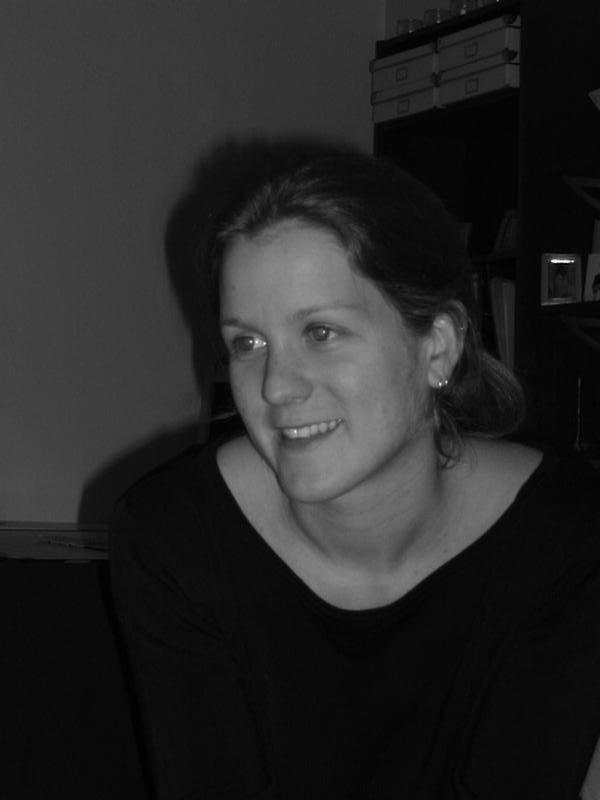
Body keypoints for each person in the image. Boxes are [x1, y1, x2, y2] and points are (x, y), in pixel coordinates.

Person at [110, 145, 600, 800]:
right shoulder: (175, 537)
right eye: (246, 343)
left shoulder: (569, 534)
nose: (276, 387)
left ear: (439, 346)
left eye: (321, 332)